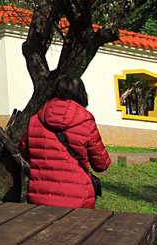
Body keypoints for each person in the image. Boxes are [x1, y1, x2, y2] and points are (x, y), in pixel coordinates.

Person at [19, 75, 111, 209]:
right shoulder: (85, 121)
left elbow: (25, 153)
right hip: (78, 198)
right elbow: (101, 164)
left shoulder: (35, 119)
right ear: (81, 94)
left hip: (39, 198)